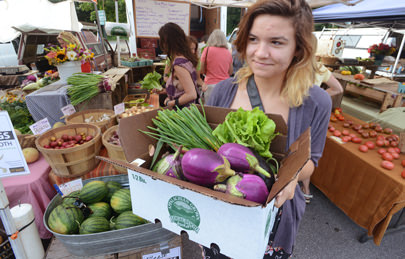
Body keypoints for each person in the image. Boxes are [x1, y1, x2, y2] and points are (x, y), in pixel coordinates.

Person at [206, 0, 331, 258]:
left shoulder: (316, 102)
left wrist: (293, 176)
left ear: (298, 48)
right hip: (219, 212)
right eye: (253, 39)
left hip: (275, 219)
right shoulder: (221, 92)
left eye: (276, 42)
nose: (260, 53)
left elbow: (311, 160)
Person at [301, 59, 343, 204]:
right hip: (313, 114)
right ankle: (306, 192)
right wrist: (320, 97)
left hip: (296, 110)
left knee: (294, 150)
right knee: (307, 153)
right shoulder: (319, 67)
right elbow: (338, 89)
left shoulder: (293, 64)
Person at [158, 23, 200, 108]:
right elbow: (182, 88)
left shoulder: (179, 64)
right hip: (187, 112)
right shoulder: (185, 58)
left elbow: (192, 94)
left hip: (184, 113)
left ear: (166, 42)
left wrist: (171, 103)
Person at [200, 29, 233, 102]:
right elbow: (230, 72)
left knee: (210, 111)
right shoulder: (228, 52)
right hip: (225, 86)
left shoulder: (207, 50)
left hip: (210, 85)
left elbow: (201, 70)